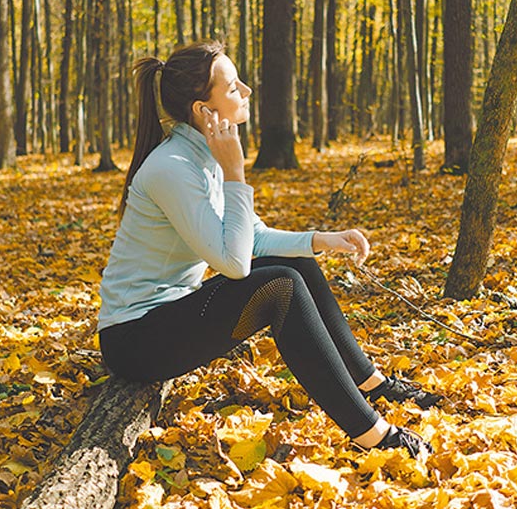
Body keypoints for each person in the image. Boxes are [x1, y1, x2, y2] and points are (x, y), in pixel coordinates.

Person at [97, 40, 440, 457]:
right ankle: (374, 435)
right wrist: (236, 172)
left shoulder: (199, 154)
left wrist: (320, 241)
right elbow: (235, 264)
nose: (246, 91)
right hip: (136, 341)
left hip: (167, 318)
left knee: (293, 264)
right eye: (232, 87)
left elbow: (251, 237)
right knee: (280, 286)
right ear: (203, 111)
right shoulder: (173, 168)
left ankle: (374, 383)